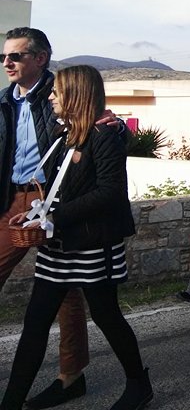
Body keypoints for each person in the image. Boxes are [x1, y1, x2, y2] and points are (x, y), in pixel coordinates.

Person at [1, 65, 152, 410]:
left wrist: (55, 217)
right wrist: (37, 212)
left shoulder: (104, 136)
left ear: (76, 95)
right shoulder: (63, 134)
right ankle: (11, 402)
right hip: (59, 244)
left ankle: (138, 384)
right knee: (35, 322)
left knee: (106, 315)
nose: (50, 97)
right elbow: (60, 189)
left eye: (57, 91)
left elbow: (110, 193)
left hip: (93, 245)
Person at [0, 28, 90, 410]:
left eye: (15, 56)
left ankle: (71, 376)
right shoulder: (4, 100)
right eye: (4, 57)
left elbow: (93, 128)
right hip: (10, 200)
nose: (7, 63)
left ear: (40, 58)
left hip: (51, 200)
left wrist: (116, 127)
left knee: (66, 291)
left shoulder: (61, 94)